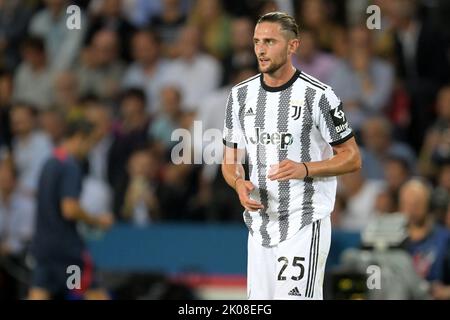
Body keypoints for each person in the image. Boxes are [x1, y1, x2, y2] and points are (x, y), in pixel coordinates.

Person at [221, 12, 361, 300]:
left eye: (270, 41)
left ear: (293, 46)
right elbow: (230, 159)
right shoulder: (240, 96)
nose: (260, 49)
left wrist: (306, 168)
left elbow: (351, 157)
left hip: (303, 221)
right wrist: (238, 183)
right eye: (257, 41)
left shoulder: (319, 96)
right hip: (260, 225)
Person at [27, 120, 114, 300]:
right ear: (80, 138)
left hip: (44, 246)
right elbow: (70, 209)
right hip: (67, 249)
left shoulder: (49, 162)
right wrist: (98, 221)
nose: (89, 149)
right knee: (95, 292)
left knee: (40, 292)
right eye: (90, 142)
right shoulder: (70, 166)